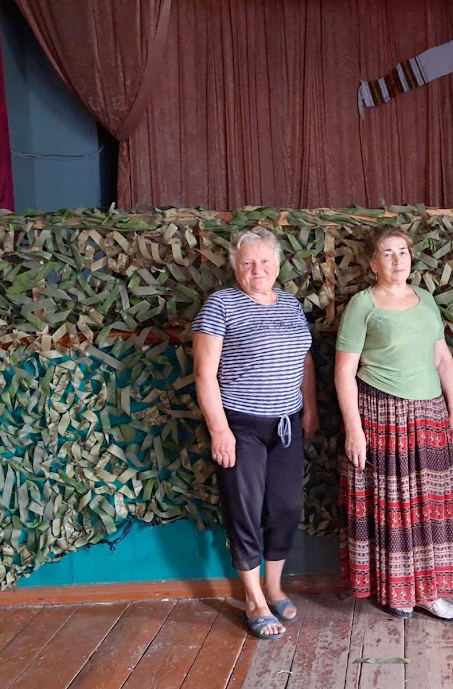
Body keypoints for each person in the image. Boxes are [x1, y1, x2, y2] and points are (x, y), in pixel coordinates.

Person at [192, 227, 319, 641]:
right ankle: (253, 600)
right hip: (241, 426)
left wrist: (310, 408)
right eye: (248, 262)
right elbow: (204, 374)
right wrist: (220, 430)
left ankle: (273, 587)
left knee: (286, 507)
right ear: (236, 267)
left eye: (265, 261)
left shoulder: (291, 304)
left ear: (278, 266)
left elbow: (304, 360)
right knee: (244, 509)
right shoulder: (220, 305)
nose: (257, 269)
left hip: (286, 425)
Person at [334, 226, 453, 622]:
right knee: (393, 505)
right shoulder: (362, 304)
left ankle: (431, 591)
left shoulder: (426, 299)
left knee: (430, 506)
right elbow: (344, 372)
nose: (397, 260)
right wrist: (353, 429)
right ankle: (398, 592)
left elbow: (441, 357)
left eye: (403, 252)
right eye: (387, 253)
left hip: (429, 414)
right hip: (382, 414)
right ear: (373, 263)